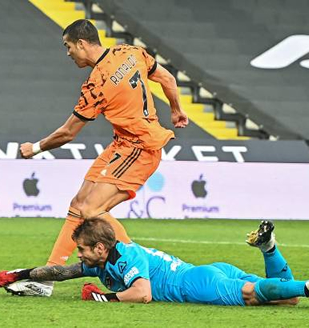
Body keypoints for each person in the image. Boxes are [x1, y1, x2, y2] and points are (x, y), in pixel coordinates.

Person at [15, 19, 188, 296]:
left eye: (68, 46)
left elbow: (68, 133)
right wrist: (177, 110)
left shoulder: (97, 83)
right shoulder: (130, 52)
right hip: (123, 145)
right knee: (79, 204)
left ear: (81, 44)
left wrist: (34, 148)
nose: (68, 53)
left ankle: (137, 272)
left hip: (140, 147)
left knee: (92, 211)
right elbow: (168, 78)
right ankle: (46, 277)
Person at [0, 219, 309, 310]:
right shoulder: (103, 260)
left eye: (80, 249)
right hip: (208, 270)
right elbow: (60, 273)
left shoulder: (126, 258)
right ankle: (270, 249)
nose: (76, 254)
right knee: (283, 302)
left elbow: (142, 294)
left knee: (255, 295)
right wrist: (16, 274)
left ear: (98, 247)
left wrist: (101, 299)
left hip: (195, 285)